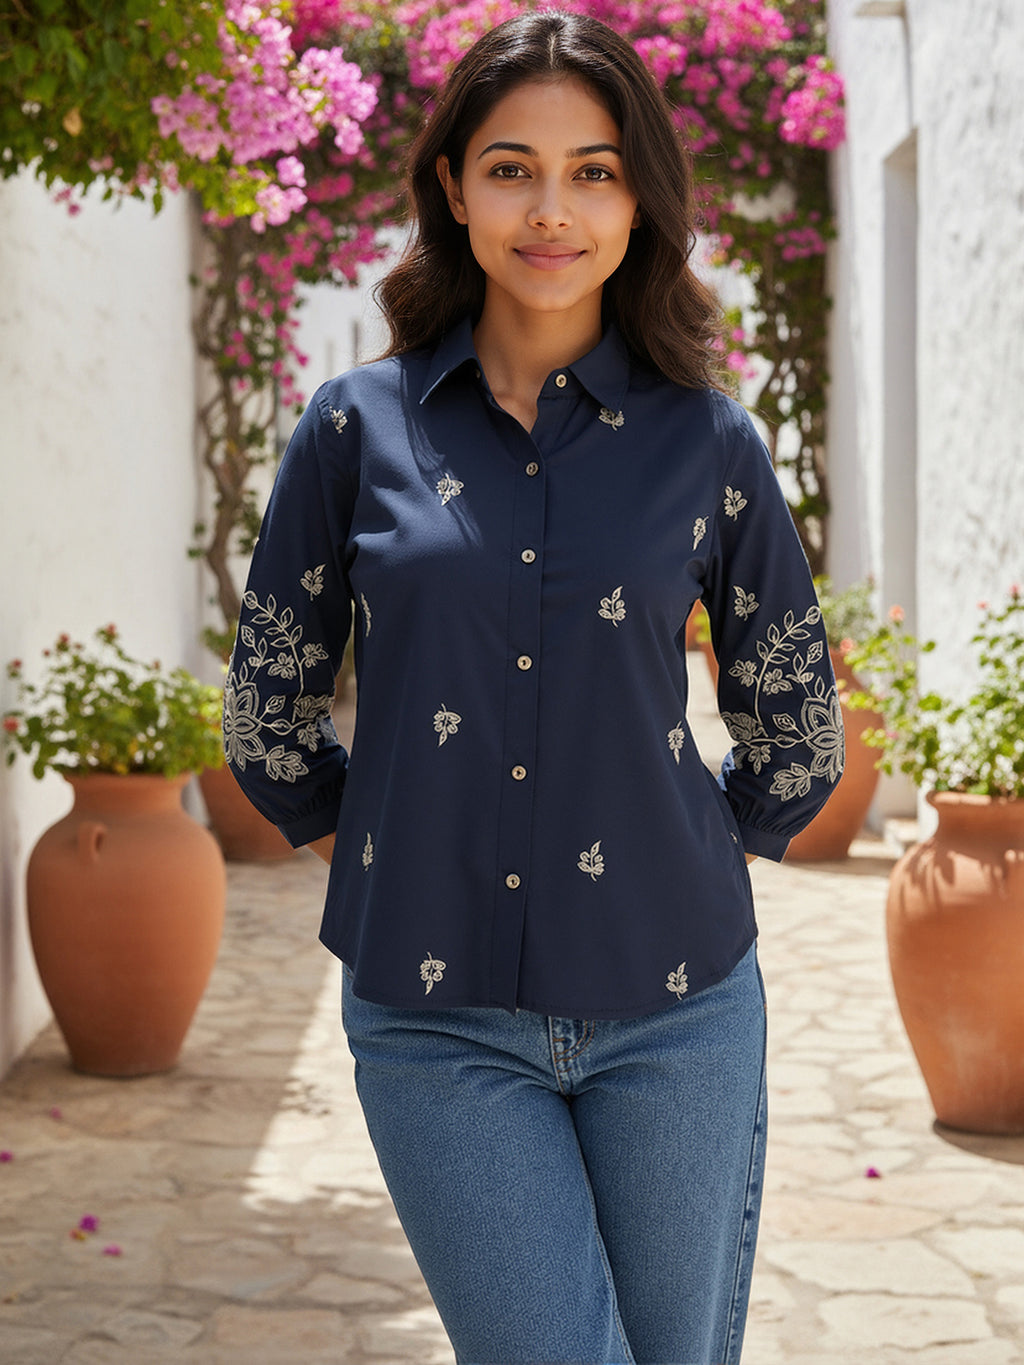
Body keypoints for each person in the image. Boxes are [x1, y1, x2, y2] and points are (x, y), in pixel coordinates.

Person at [224, 11, 843, 1363]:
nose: (550, 210)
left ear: (640, 199)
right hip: (435, 1021)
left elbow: (795, 730)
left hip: (678, 1007)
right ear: (452, 184)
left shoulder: (710, 440)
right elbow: (268, 712)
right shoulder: (353, 428)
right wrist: (389, 837)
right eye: (511, 167)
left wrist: (676, 837)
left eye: (596, 170)